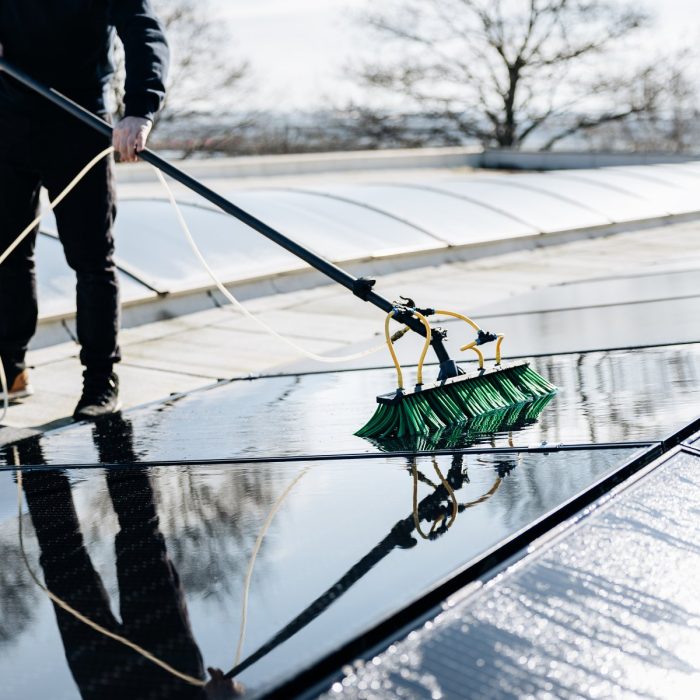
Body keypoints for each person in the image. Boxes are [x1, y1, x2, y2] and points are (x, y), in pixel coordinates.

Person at [0, 0, 169, 419]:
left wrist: (139, 111)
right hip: (9, 127)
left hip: (80, 127)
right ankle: (11, 370)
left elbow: (144, 32)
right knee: (8, 254)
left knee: (92, 260)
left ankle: (100, 380)